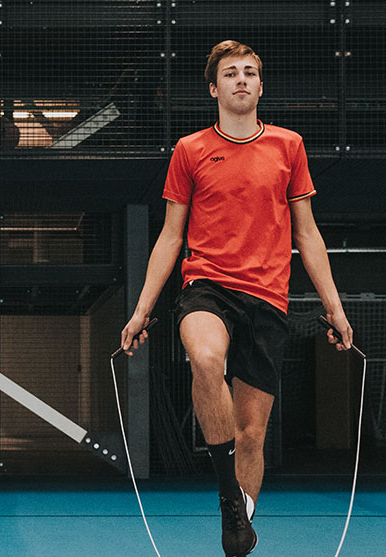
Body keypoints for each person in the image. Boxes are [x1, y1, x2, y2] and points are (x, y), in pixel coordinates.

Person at [119, 40, 354, 556]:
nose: (241, 80)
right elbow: (170, 235)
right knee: (205, 358)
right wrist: (140, 311)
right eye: (231, 73)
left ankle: (237, 528)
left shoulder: (289, 146)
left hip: (268, 298)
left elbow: (308, 234)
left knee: (251, 436)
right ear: (214, 88)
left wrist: (333, 307)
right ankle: (229, 496)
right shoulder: (190, 150)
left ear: (261, 86)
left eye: (250, 72)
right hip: (206, 285)